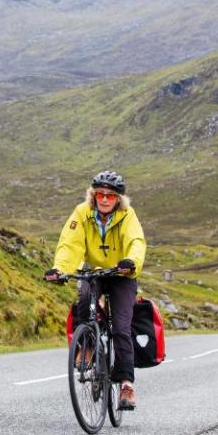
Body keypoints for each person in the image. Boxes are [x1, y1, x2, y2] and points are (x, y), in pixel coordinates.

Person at [44, 170, 147, 410]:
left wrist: (130, 262)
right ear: (93, 195)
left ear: (118, 199)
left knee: (121, 327)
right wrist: (60, 269)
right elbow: (70, 243)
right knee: (83, 300)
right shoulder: (82, 213)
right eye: (100, 194)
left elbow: (136, 242)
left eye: (110, 196)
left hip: (122, 273)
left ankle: (126, 385)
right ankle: (88, 346)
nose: (104, 199)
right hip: (94, 270)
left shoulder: (127, 215)